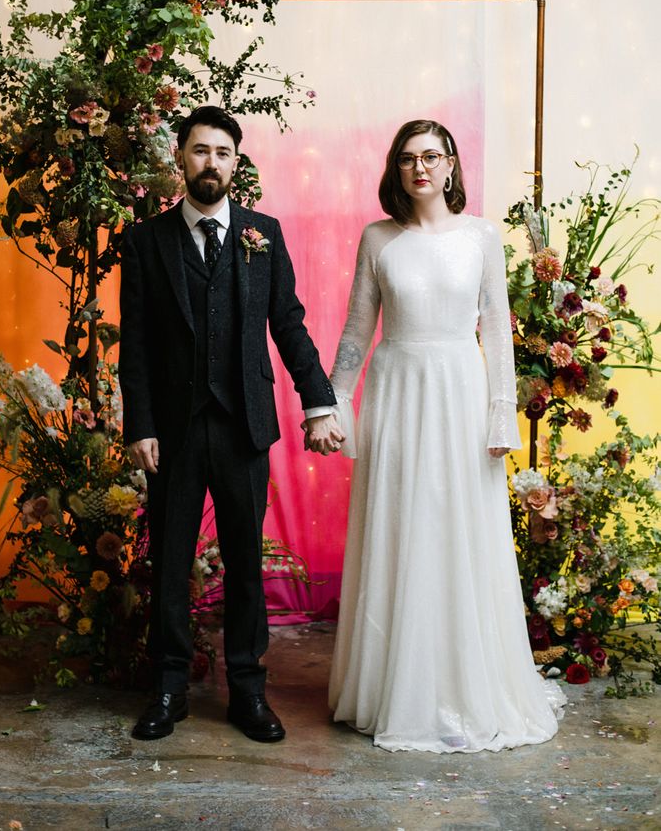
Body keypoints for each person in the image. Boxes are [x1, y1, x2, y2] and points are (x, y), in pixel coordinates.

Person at [327, 119, 565, 753]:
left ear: (453, 164)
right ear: (396, 170)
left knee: (459, 531)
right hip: (398, 393)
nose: (420, 168)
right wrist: (332, 407)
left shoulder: (483, 237)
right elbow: (355, 333)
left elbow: (498, 333)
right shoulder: (378, 238)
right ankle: (390, 689)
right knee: (401, 528)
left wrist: (500, 414)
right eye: (408, 159)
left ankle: (463, 686)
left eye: (432, 156)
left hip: (461, 393)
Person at [120, 105, 343, 742]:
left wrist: (318, 401)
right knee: (170, 562)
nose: (210, 162)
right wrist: (140, 424)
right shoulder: (145, 241)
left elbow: (290, 327)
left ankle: (248, 691)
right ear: (179, 159)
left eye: (222, 151)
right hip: (172, 430)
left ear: (236, 162)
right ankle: (168, 687)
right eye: (198, 150)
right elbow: (133, 344)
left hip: (245, 425)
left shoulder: (262, 234)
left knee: (247, 563)